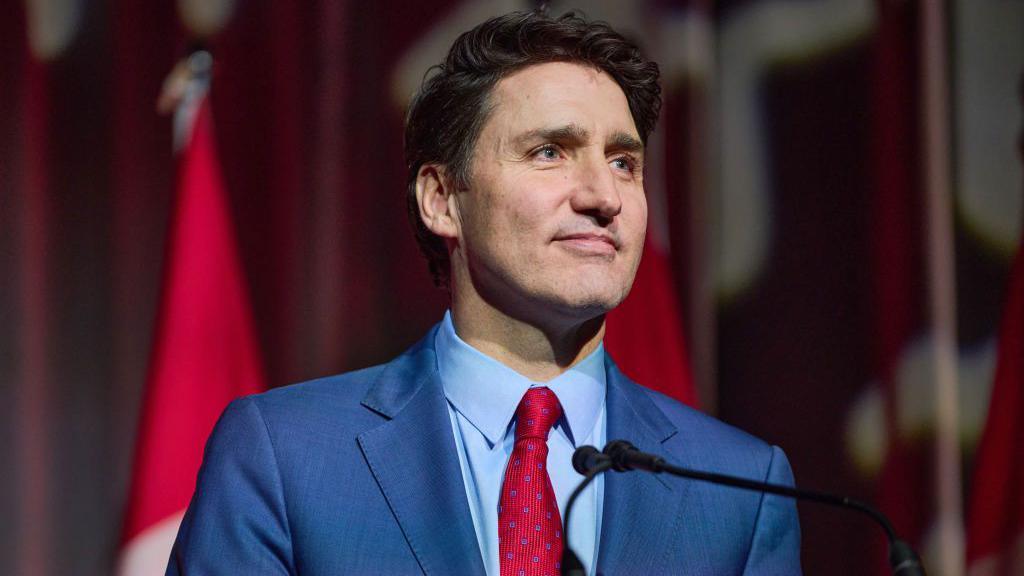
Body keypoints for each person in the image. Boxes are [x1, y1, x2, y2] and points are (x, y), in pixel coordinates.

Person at [167, 10, 801, 576]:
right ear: (442, 199)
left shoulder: (742, 490)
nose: (603, 197)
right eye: (550, 151)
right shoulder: (285, 458)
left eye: (622, 162)